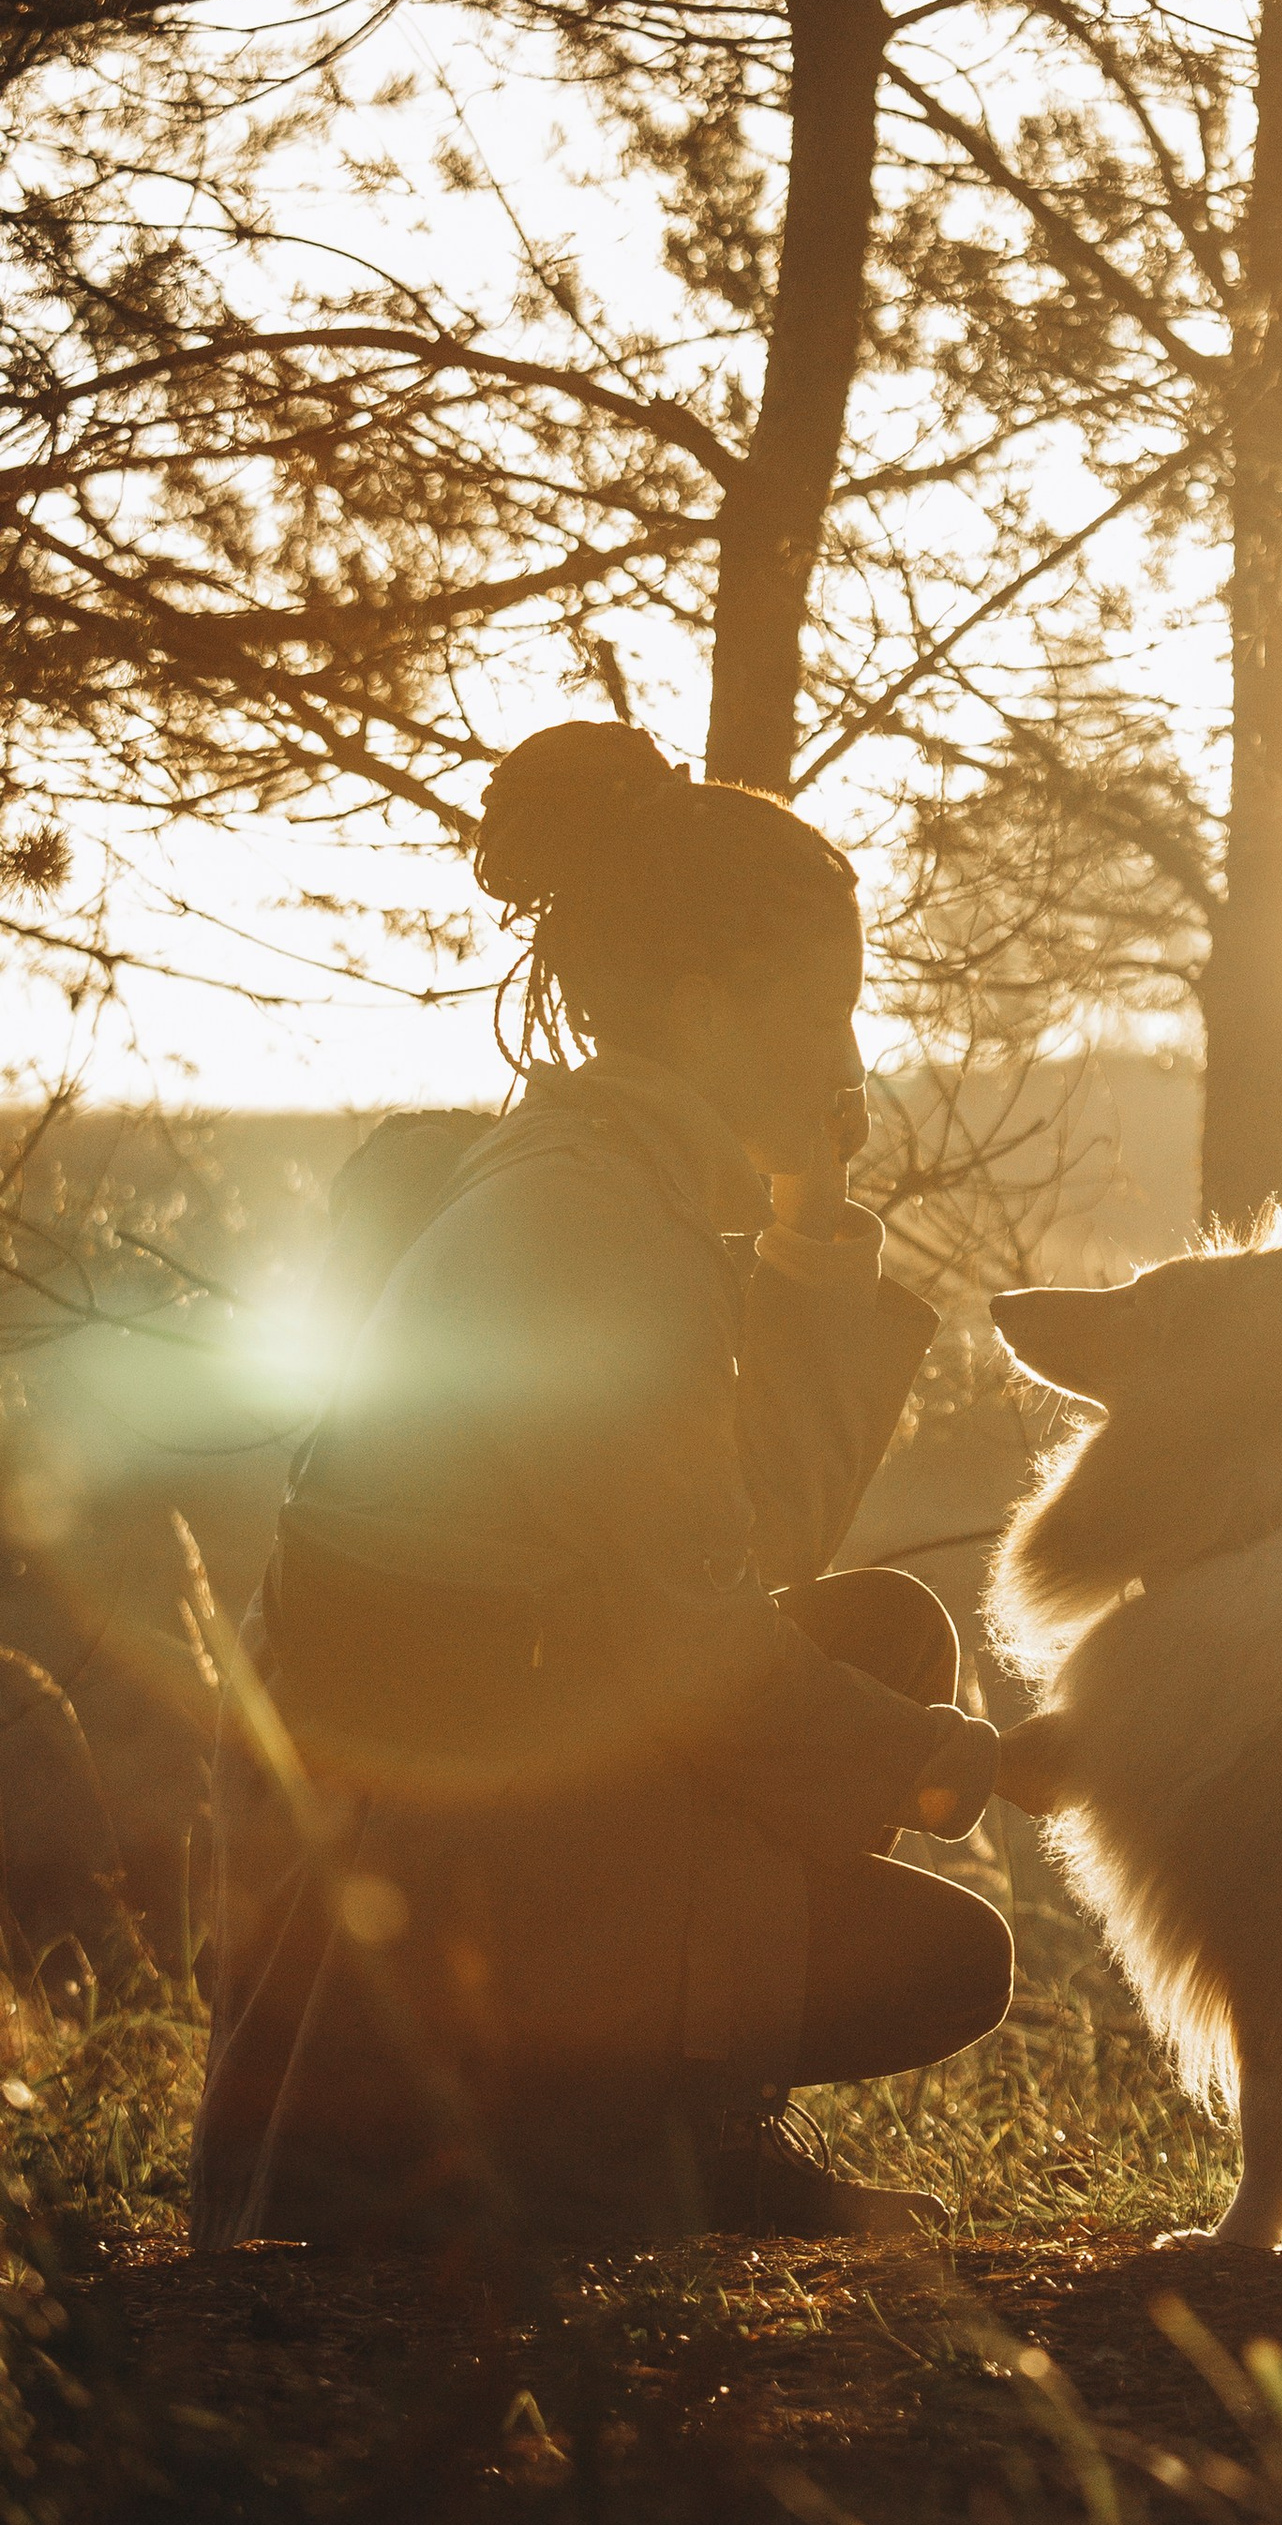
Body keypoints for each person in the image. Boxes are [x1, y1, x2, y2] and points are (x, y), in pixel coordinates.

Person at [192, 720, 1030, 2251]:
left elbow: (745, 1541)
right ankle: (562, 2142)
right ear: (708, 1015)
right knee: (949, 1963)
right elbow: (700, 1651)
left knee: (885, 1630)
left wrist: (815, 1226)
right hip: (455, 1874)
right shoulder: (592, 1236)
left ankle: (646, 2113)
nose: (850, 1061)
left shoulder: (581, 1179)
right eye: (824, 1013)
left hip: (482, 1803)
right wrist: (947, 1766)